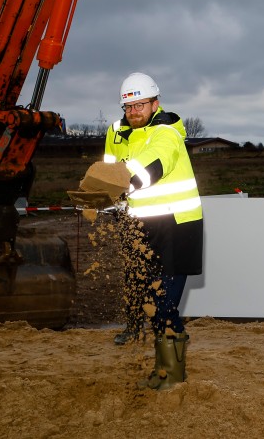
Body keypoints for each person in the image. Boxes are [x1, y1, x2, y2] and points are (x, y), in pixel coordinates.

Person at [107, 72, 203, 390]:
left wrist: (123, 182)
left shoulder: (167, 132)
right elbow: (108, 170)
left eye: (140, 104)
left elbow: (152, 166)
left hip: (177, 225)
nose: (133, 111)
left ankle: (172, 374)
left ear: (155, 103)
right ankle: (167, 365)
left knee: (163, 303)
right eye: (128, 106)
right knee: (153, 301)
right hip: (143, 226)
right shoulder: (119, 135)